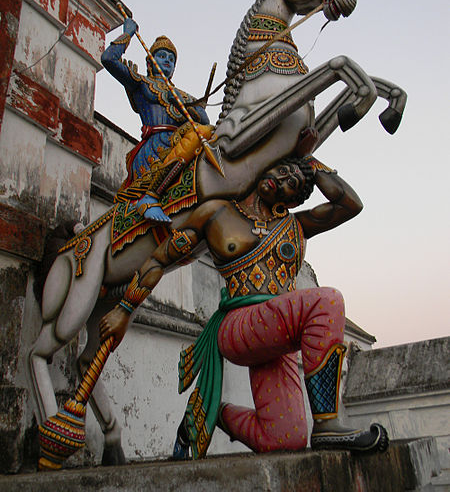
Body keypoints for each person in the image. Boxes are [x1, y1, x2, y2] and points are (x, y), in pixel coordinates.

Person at [99, 145, 388, 459]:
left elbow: (349, 204)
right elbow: (159, 260)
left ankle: (214, 413)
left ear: (292, 200)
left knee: (285, 438)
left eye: (292, 182)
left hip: (278, 334)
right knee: (327, 302)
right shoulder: (218, 212)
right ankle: (328, 426)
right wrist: (124, 310)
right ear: (266, 168)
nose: (283, 178)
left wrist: (309, 162)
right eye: (281, 169)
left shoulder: (296, 226)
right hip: (239, 325)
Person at [101, 18, 211, 222]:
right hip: (155, 148)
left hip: (179, 145)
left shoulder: (180, 94)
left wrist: (183, 104)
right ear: (150, 61)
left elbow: (205, 119)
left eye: (171, 58)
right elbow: (108, 60)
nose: (167, 61)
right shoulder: (142, 83)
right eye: (161, 56)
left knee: (208, 134)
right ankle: (150, 197)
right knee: (200, 133)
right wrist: (128, 34)